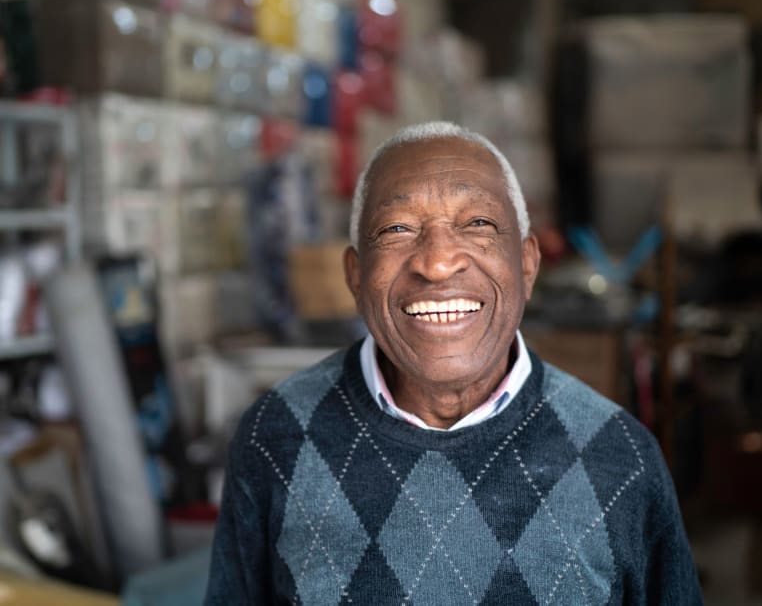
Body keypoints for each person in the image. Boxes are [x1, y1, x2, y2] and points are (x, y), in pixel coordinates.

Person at [205, 122, 702, 604]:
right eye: (397, 228)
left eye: (478, 224)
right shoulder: (276, 436)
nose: (438, 262)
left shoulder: (618, 455)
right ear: (356, 277)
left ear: (527, 266)